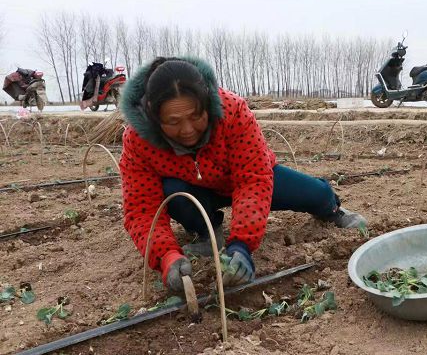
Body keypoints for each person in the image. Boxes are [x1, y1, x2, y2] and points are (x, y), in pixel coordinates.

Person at [119, 56, 367, 292]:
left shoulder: (232, 110)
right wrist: (166, 256)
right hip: (194, 188)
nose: (187, 130)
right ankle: (207, 232)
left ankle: (332, 209)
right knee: (172, 192)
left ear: (207, 103)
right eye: (173, 122)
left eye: (196, 117)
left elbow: (253, 179)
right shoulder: (138, 140)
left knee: (315, 193)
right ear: (153, 115)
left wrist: (242, 244)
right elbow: (141, 208)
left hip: (240, 176)